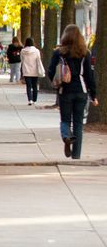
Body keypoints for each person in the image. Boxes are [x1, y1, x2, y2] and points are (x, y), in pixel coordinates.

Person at [47, 24, 99, 159]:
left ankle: (66, 136)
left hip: (65, 90)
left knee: (65, 119)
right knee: (78, 123)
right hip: (81, 91)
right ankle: (76, 155)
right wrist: (93, 95)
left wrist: (56, 83)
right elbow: (89, 75)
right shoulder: (85, 53)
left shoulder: (58, 53)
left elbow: (51, 71)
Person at [19, 37, 45, 105]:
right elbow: (38, 60)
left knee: (28, 86)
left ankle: (30, 99)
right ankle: (34, 100)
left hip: (26, 70)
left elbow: (21, 60)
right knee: (34, 86)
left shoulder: (23, 51)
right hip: (35, 70)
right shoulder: (36, 51)